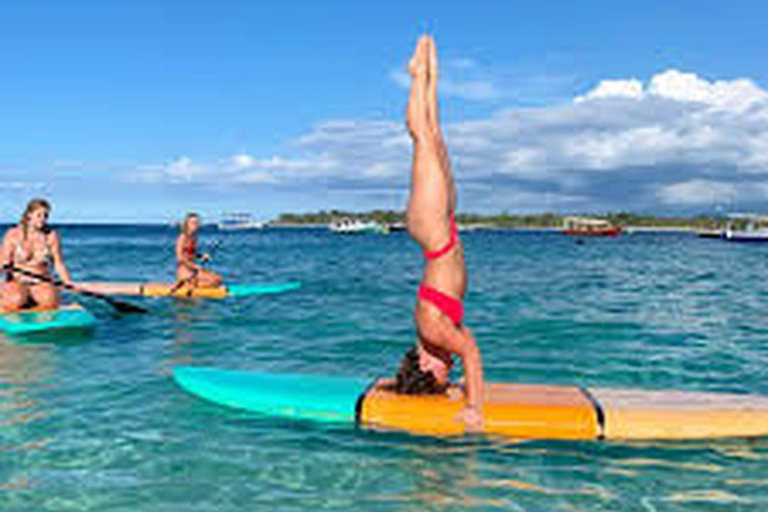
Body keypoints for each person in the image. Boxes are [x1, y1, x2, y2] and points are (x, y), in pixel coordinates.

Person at [388, 36, 484, 430]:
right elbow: (465, 350)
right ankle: (430, 77)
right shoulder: (438, 336)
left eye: (443, 379)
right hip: (444, 231)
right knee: (437, 138)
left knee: (423, 141)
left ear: (427, 366)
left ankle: (415, 77)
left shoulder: (434, 332)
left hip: (432, 231)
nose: (451, 377)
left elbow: (472, 354)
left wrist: (475, 407)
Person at [0, 198, 73, 311]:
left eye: (45, 216)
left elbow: (59, 263)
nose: (43, 219)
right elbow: (3, 262)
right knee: (16, 299)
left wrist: (68, 283)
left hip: (41, 281)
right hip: (17, 281)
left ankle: (28, 309)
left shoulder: (51, 236)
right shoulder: (13, 235)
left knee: (51, 301)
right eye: (39, 215)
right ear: (29, 215)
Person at [175, 213, 222, 289]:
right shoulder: (182, 237)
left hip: (193, 270)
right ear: (187, 224)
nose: (196, 225)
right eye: (193, 223)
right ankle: (188, 284)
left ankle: (192, 284)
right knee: (215, 280)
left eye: (197, 223)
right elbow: (180, 257)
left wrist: (202, 256)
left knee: (218, 278)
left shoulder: (193, 238)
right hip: (185, 271)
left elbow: (191, 254)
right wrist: (194, 266)